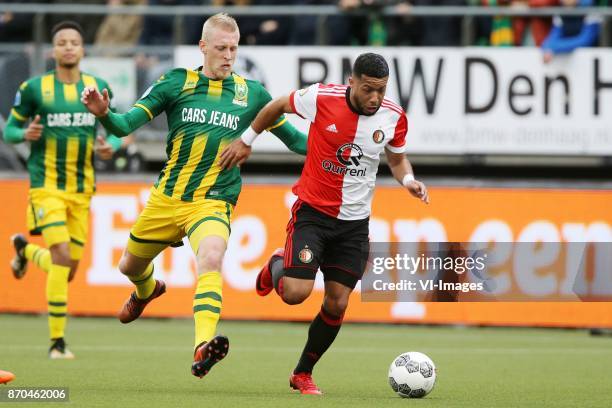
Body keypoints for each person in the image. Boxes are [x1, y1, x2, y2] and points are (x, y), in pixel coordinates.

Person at [80, 13, 308, 378]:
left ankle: (202, 345)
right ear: (202, 47)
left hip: (213, 200)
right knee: (129, 266)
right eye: (221, 48)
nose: (229, 56)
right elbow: (124, 126)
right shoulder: (175, 83)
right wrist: (105, 113)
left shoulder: (254, 95)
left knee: (212, 257)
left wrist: (339, 145)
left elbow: (296, 141)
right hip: (167, 198)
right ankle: (148, 289)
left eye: (233, 48)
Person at [220, 53, 429, 394]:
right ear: (352, 81)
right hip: (314, 214)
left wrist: (409, 182)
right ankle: (277, 263)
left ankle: (302, 373)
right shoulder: (321, 98)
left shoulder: (393, 117)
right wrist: (246, 141)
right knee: (295, 294)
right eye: (368, 89)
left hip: (354, 225)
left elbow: (398, 159)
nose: (375, 97)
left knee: (337, 303)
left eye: (381, 90)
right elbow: (275, 106)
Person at [4, 21, 122, 359]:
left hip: (82, 189)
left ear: (83, 50)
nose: (68, 47)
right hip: (46, 187)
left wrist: (110, 146)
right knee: (60, 256)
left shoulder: (97, 87)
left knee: (67, 269)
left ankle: (25, 252)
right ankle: (57, 342)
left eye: (74, 42)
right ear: (53, 50)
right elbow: (10, 130)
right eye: (62, 42)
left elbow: (116, 128)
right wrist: (23, 134)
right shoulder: (34, 89)